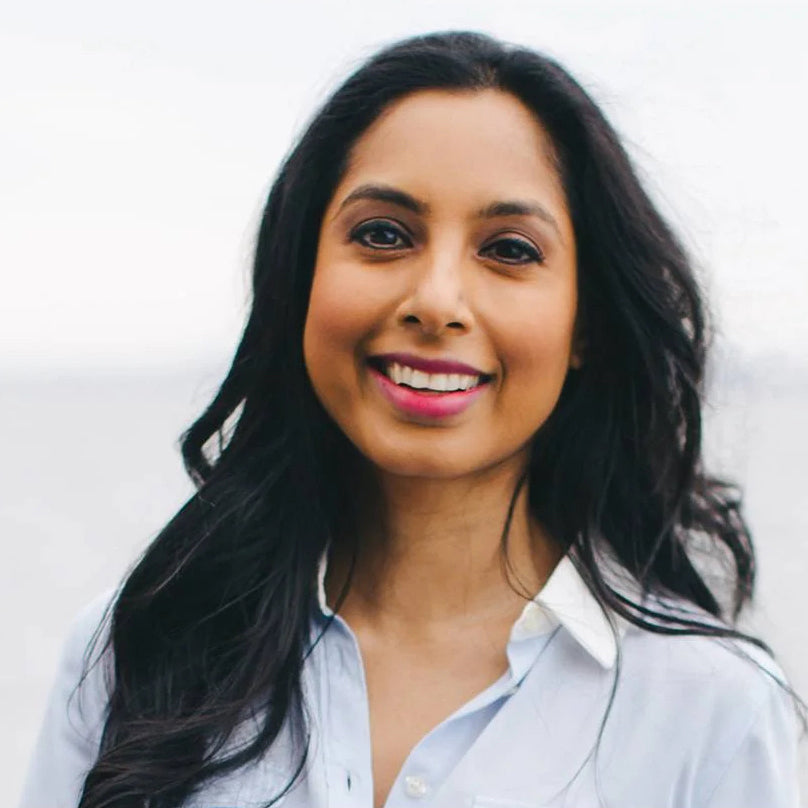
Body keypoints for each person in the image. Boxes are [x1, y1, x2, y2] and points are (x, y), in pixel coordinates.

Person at [20, 31, 802, 808]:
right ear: (302, 278)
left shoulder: (713, 714)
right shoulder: (136, 649)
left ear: (585, 324)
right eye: (383, 234)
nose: (435, 300)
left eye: (509, 249)